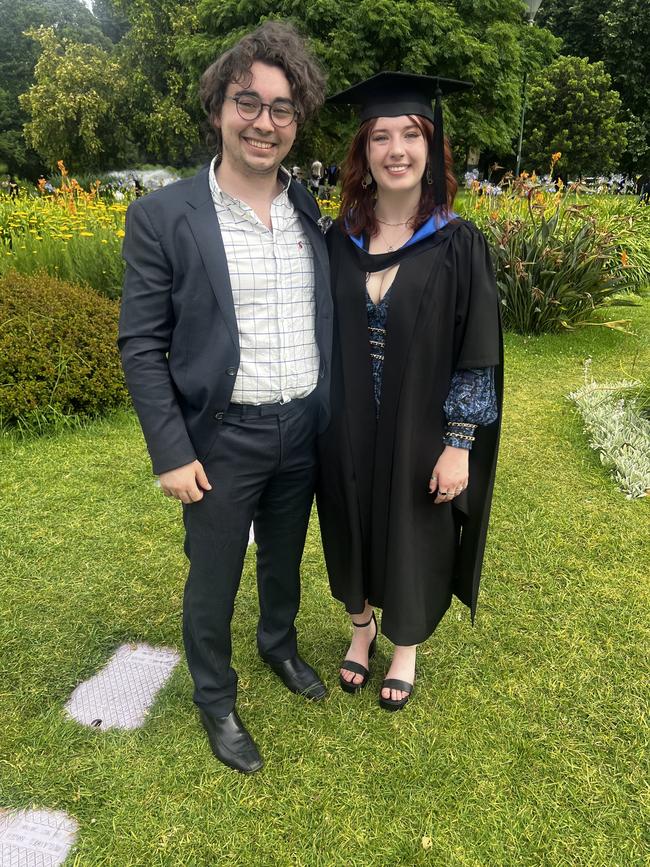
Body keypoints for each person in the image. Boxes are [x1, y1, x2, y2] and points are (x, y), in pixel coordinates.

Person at [118, 22, 332, 774]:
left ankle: (279, 645)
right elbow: (141, 344)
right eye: (249, 102)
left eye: (282, 108)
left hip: (302, 426)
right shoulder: (163, 217)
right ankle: (215, 696)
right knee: (212, 577)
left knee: (283, 559)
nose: (264, 122)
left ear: (296, 119)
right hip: (219, 438)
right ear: (219, 107)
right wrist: (171, 451)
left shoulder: (308, 211)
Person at [317, 72, 502, 711]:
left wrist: (459, 444)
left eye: (411, 134)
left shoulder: (457, 244)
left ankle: (405, 649)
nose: (396, 149)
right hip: (343, 427)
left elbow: (476, 354)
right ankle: (361, 627)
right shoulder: (336, 240)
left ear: (431, 147)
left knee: (412, 528)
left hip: (421, 428)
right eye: (380, 136)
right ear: (363, 153)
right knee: (351, 521)